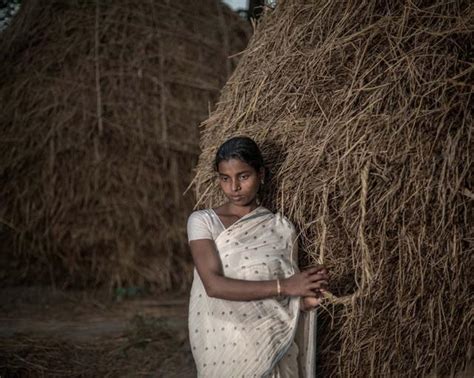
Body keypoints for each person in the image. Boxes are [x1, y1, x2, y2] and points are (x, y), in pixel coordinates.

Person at [187, 136, 329, 377]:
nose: (234, 187)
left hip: (271, 343)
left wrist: (303, 302)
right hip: (225, 344)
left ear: (261, 174)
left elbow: (284, 297)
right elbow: (213, 285)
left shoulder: (280, 229)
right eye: (225, 178)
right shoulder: (203, 222)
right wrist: (286, 286)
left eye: (243, 176)